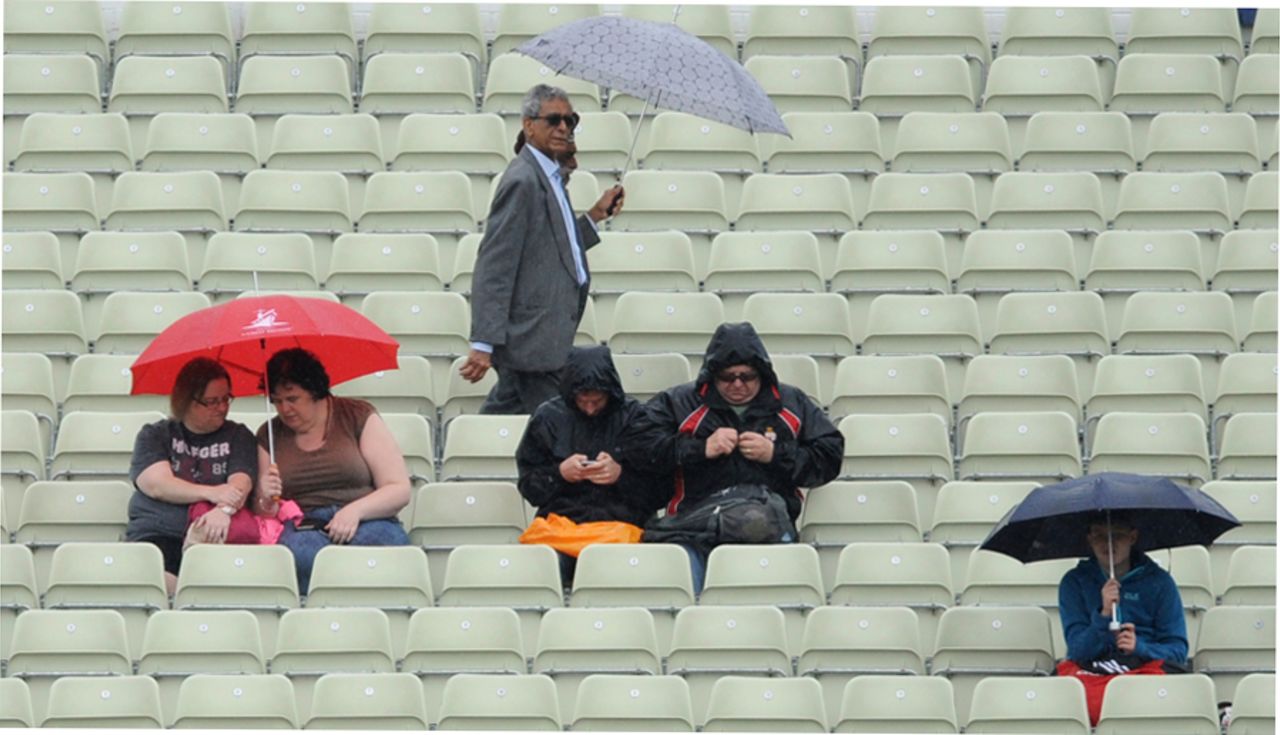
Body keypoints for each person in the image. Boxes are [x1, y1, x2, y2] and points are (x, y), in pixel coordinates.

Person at [623, 322, 844, 591]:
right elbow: (638, 448)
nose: (737, 384)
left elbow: (829, 455)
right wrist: (700, 449)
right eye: (728, 377)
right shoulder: (680, 402)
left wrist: (775, 454)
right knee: (679, 591)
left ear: (762, 373)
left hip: (768, 529)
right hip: (692, 528)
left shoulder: (791, 403)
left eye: (747, 376)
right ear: (712, 375)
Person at [459, 84, 625, 414]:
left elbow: (552, 247)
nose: (564, 128)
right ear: (529, 124)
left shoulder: (550, 176)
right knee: (552, 429)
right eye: (553, 120)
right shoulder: (523, 181)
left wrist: (594, 216)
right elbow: (495, 263)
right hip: (532, 342)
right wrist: (483, 342)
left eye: (570, 120)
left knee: (513, 417)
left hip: (542, 339)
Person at [251, 348, 412, 592]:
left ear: (315, 392)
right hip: (304, 524)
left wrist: (354, 511)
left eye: (292, 399)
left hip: (368, 517)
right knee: (299, 556)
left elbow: (398, 489)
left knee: (385, 547)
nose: (284, 409)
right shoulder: (269, 435)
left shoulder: (357, 415)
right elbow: (265, 512)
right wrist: (265, 495)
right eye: (277, 401)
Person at [515, 345, 668, 582]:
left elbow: (661, 490)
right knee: (538, 569)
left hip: (624, 526)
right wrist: (559, 474)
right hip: (562, 530)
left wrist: (621, 476)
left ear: (610, 392)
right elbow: (529, 487)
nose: (589, 408)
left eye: (596, 400)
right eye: (582, 400)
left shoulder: (636, 417)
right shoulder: (547, 417)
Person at [127, 357, 257, 593]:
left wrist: (223, 510)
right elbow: (157, 485)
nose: (222, 407)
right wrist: (212, 493)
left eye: (226, 399)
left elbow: (241, 482)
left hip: (217, 537)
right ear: (186, 401)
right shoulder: (155, 435)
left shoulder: (238, 435)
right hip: (160, 533)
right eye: (212, 401)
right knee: (154, 581)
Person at [1058, 512, 1189, 726]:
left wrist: (1140, 647)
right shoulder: (1074, 582)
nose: (1108, 543)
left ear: (1133, 537)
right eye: (1099, 536)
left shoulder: (1160, 582)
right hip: (1092, 671)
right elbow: (1077, 651)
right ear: (1089, 539)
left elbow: (1178, 651)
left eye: (1117, 535)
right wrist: (1103, 615)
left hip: (1146, 670)